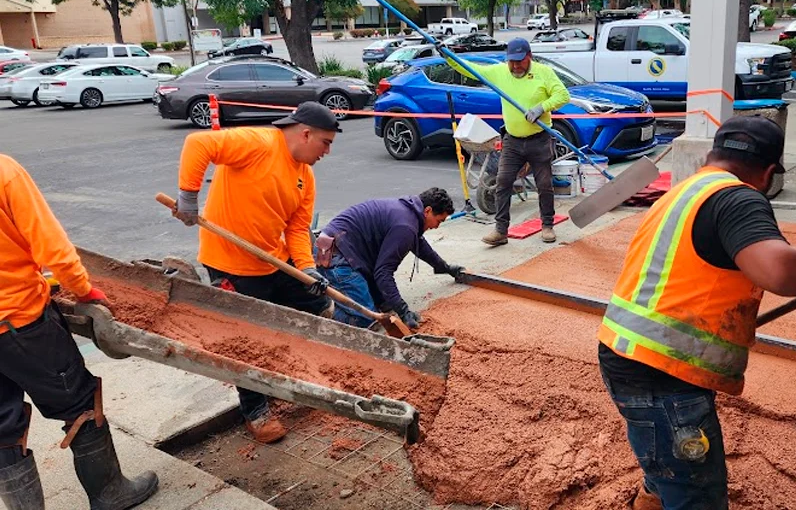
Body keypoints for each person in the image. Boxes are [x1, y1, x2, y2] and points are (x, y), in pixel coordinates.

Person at [596, 116, 796, 510]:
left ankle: (653, 498)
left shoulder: (683, 193)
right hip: (663, 373)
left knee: (666, 463)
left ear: (712, 155)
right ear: (768, 173)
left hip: (626, 355)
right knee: (697, 495)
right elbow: (780, 270)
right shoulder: (738, 198)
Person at [171, 101, 338, 444]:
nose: (327, 152)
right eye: (326, 143)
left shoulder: (305, 177)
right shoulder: (259, 143)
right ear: (306, 134)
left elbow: (296, 229)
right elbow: (198, 143)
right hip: (230, 262)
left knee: (321, 307)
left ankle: (289, 372)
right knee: (246, 339)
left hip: (273, 260)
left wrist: (306, 268)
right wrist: (188, 196)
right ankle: (256, 411)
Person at [0, 154, 158, 510]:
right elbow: (52, 246)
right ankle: (110, 493)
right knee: (80, 403)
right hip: (18, 322)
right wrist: (84, 291)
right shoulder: (4, 172)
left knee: (2, 426)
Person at [442, 37, 570, 246]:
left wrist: (542, 107)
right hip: (512, 140)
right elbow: (471, 69)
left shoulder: (543, 73)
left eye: (520, 61)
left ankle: (547, 225)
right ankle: (501, 230)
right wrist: (448, 57)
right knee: (503, 182)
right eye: (512, 61)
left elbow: (563, 95)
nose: (515, 66)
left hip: (539, 138)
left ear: (529, 57)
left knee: (544, 184)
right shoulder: (500, 72)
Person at [314, 188, 463, 330]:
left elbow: (419, 244)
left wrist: (445, 268)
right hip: (335, 257)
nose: (437, 227)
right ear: (428, 211)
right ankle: (322, 307)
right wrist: (404, 312)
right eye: (439, 221)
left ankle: (336, 299)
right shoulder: (405, 225)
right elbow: (383, 272)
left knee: (384, 304)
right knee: (366, 319)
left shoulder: (409, 214)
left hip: (348, 252)